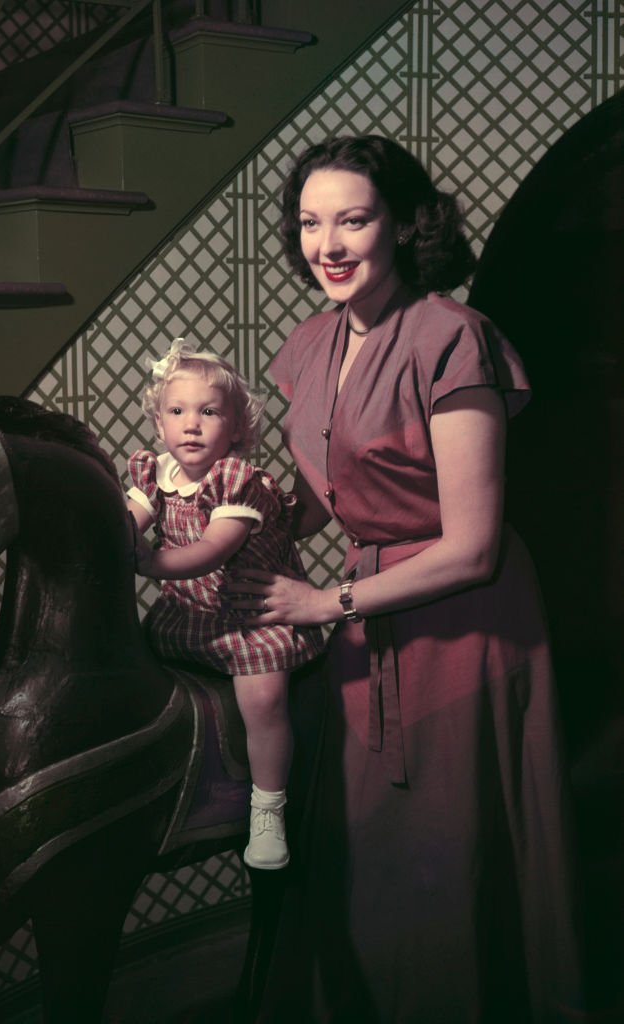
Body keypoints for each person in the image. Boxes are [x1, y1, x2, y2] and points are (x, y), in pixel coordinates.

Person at [224, 136, 585, 1021]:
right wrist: (214, 514)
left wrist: (324, 600)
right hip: (365, 619)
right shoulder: (309, 344)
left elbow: (472, 547)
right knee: (365, 856)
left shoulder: (453, 339)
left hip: (465, 627)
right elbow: (326, 501)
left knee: (447, 856)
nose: (328, 245)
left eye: (353, 219)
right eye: (310, 223)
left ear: (403, 226)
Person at [126, 339, 324, 871]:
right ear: (160, 422)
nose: (191, 425)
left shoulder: (238, 480)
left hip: (248, 619)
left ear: (236, 427)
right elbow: (130, 519)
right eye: (177, 411)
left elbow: (212, 549)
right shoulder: (155, 474)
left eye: (208, 412)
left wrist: (147, 564)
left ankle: (267, 807)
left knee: (262, 699)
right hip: (188, 618)